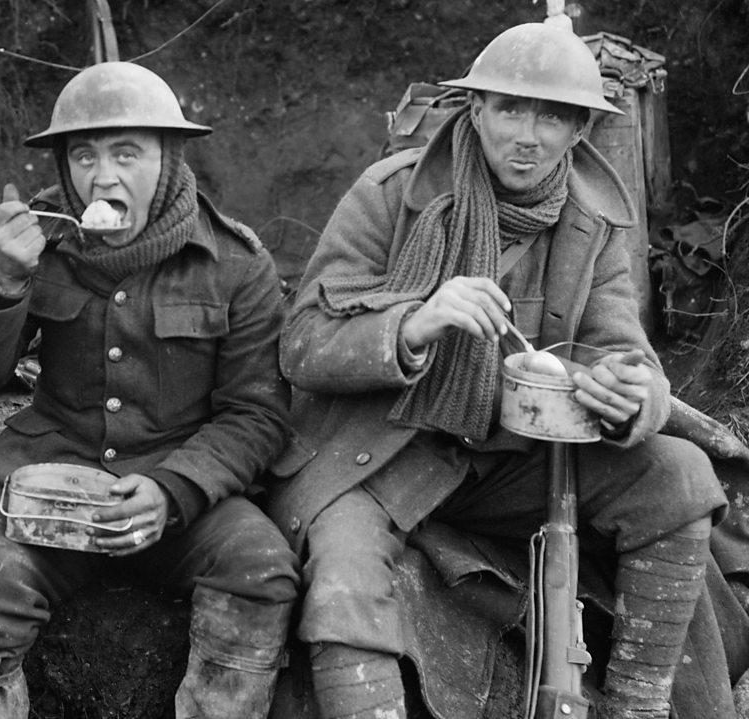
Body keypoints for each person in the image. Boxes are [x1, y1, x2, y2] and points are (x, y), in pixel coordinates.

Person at [268, 22, 729, 719]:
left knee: (680, 474)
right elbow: (300, 343)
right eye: (510, 108)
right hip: (383, 453)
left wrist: (628, 393)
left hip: (515, 462)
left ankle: (636, 704)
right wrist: (413, 323)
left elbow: (623, 351)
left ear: (579, 130)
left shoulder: (593, 219)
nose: (528, 133)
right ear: (475, 109)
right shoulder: (392, 194)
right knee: (343, 577)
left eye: (552, 116)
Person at [0, 61, 300, 719]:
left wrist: (174, 488)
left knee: (261, 568)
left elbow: (257, 412)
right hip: (52, 490)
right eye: (84, 155)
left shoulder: (238, 265)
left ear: (168, 159)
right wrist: (4, 281)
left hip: (180, 495)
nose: (102, 177)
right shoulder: (40, 246)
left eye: (126, 153)